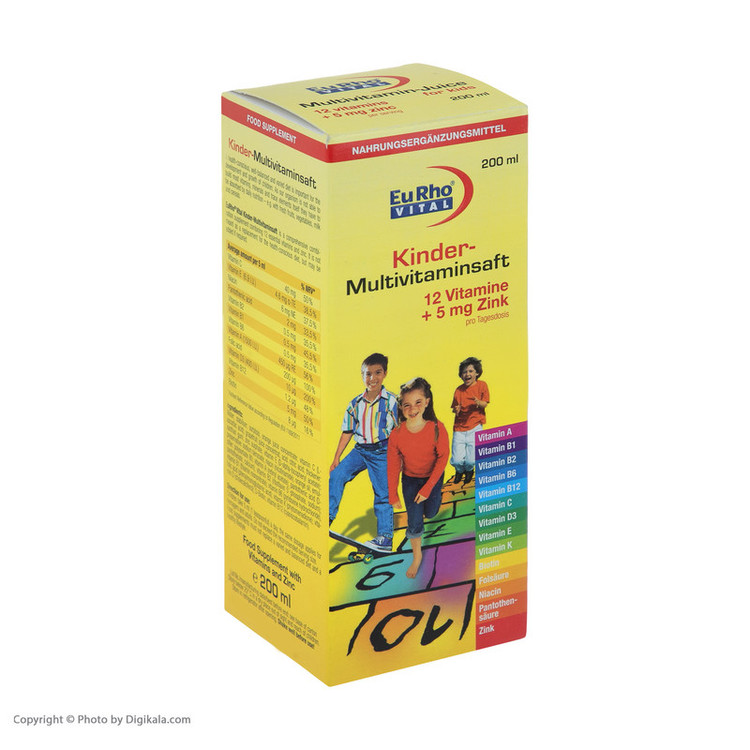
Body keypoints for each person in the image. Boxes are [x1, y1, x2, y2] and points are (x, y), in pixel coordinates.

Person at [329, 353, 398, 551]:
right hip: (359, 450)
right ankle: (327, 516)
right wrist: (336, 458)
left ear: (385, 374)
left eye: (377, 373)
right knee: (337, 475)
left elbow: (400, 430)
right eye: (368, 374)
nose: (372, 378)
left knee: (383, 493)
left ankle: (385, 537)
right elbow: (347, 431)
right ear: (362, 376)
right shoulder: (355, 403)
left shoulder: (391, 401)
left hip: (382, 451)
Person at [387, 378, 449, 578]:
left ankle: (431, 503)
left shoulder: (437, 428)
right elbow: (393, 465)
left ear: (427, 402)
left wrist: (428, 488)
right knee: (414, 521)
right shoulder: (396, 434)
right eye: (407, 405)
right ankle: (417, 556)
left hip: (433, 478)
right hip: (411, 480)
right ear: (401, 407)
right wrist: (392, 493)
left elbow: (443, 458)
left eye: (418, 402)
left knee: (430, 513)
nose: (412, 409)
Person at [449, 356, 490, 486]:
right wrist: (456, 409)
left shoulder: (482, 385)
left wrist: (478, 402)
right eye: (464, 372)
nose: (467, 374)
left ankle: (469, 471)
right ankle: (459, 471)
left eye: (471, 371)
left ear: (477, 373)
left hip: (475, 427)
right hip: (459, 428)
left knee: (471, 460)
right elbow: (454, 408)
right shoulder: (458, 390)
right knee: (456, 460)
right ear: (461, 375)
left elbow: (485, 403)